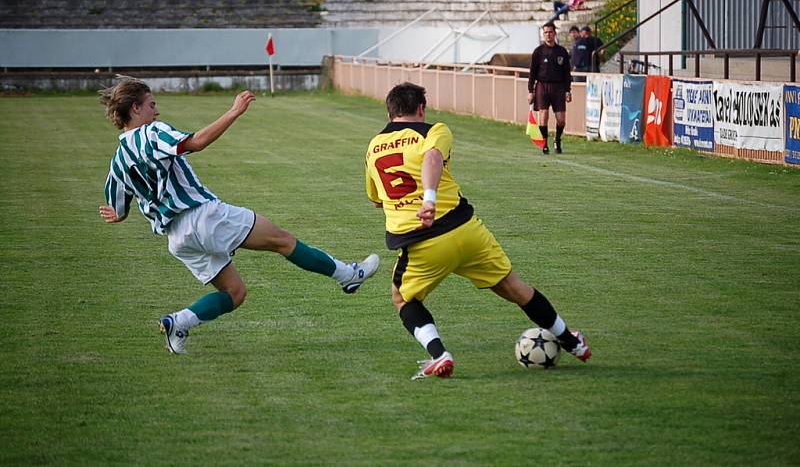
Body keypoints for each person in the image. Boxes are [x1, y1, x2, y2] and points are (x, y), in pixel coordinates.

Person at [99, 77, 379, 355]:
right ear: (135, 109)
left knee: (235, 293)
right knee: (283, 241)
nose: (156, 111)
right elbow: (195, 143)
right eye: (151, 105)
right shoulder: (151, 132)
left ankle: (178, 323)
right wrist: (234, 111)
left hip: (177, 239)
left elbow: (118, 209)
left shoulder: (117, 160)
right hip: (203, 217)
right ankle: (348, 275)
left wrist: (115, 215)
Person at [364, 82, 591, 380]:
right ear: (421, 109)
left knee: (402, 299)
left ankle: (438, 354)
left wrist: (417, 203)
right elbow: (433, 157)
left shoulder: (372, 148)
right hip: (466, 230)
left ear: (390, 111)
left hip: (422, 242)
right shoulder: (434, 130)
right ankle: (573, 343)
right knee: (513, 287)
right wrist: (429, 197)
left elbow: (376, 200)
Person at [528, 21, 572, 154]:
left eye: (550, 32)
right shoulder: (538, 52)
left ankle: (557, 140)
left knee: (561, 120)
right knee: (543, 114)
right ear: (543, 34)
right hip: (542, 86)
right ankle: (544, 143)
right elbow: (532, 72)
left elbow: (567, 73)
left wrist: (568, 90)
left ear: (555, 33)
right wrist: (531, 91)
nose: (548, 35)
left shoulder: (562, 51)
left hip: (558, 87)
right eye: (545, 32)